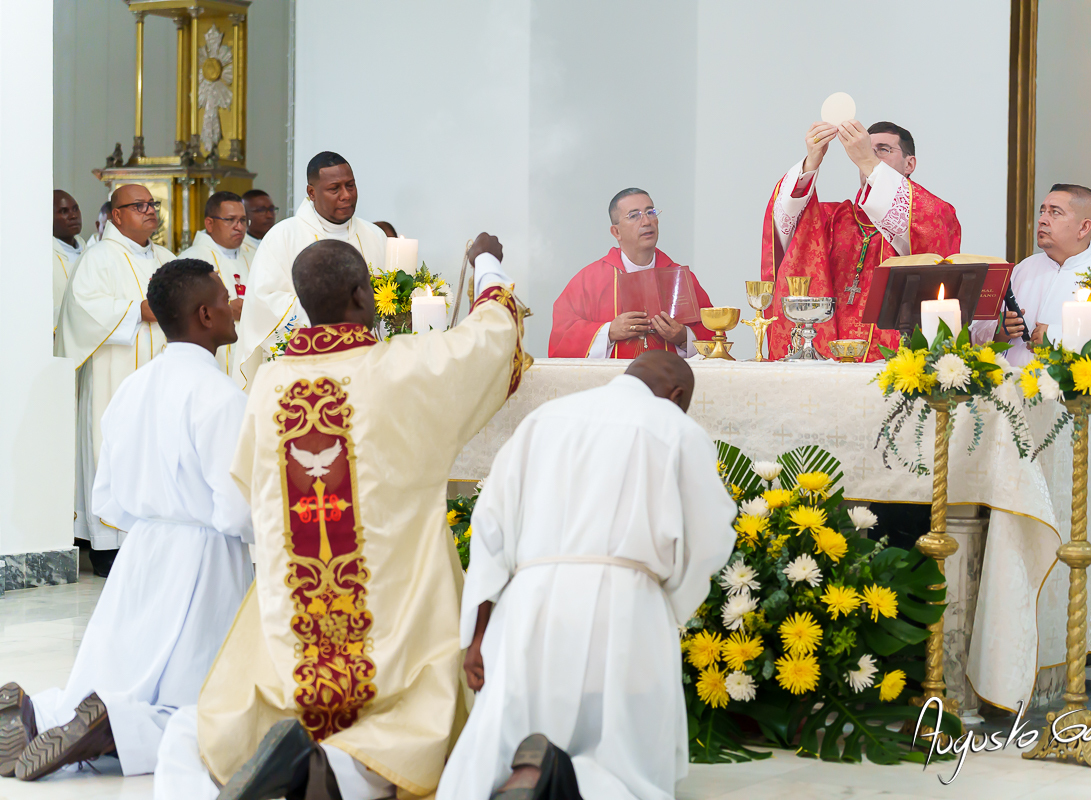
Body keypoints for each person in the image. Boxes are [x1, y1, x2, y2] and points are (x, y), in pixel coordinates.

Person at [154, 234, 527, 800]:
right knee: (409, 711)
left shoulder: (270, 384)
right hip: (393, 605)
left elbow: (250, 487)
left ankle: (295, 752)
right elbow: (492, 336)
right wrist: (488, 265)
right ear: (361, 295)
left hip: (301, 610)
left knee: (241, 701)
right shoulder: (404, 368)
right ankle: (344, 770)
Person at [438, 350, 735, 800]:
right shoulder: (674, 427)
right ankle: (556, 777)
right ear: (677, 396)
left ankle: (525, 774)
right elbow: (708, 536)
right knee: (620, 759)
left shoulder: (543, 420)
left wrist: (478, 636)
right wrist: (670, 603)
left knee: (499, 740)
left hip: (528, 604)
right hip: (626, 604)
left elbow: (491, 532)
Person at [0, 259, 254, 782]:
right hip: (207, 557)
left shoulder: (134, 387)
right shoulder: (222, 397)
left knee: (118, 667)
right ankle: (119, 729)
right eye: (225, 300)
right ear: (205, 315)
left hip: (142, 551)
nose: (234, 308)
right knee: (199, 700)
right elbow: (236, 508)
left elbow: (108, 498)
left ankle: (42, 715)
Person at [762, 120, 961, 361]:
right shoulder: (833, 219)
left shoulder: (927, 214)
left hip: (896, 366)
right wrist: (810, 163)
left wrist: (868, 160)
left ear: (910, 164)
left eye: (883, 149)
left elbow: (933, 226)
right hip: (830, 363)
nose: (869, 154)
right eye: (867, 148)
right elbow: (786, 218)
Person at [56, 184, 175, 577]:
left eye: (152, 204)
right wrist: (136, 310)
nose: (149, 210)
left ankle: (157, 540)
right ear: (116, 215)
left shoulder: (167, 258)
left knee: (158, 454)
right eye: (138, 205)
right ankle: (108, 545)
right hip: (114, 375)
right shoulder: (98, 257)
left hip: (161, 376)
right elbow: (82, 309)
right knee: (112, 451)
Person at [234, 152, 388, 389]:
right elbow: (264, 302)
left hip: (367, 366)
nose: (346, 195)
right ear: (311, 192)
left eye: (350, 185)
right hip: (305, 370)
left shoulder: (375, 236)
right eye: (335, 188)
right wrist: (336, 315)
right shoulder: (282, 236)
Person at [549, 188, 714, 358]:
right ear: (616, 232)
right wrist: (609, 331)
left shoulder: (680, 278)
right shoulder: (590, 280)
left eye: (650, 212)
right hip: (614, 376)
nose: (646, 221)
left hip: (668, 374)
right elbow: (561, 337)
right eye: (634, 215)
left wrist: (683, 337)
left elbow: (713, 333)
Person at [971, 185, 1091, 367]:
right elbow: (975, 335)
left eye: (1055, 212)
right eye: (1042, 212)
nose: (1042, 220)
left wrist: (1056, 338)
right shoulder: (1023, 268)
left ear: (1084, 227)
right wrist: (999, 330)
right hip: (1012, 382)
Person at [178, 191, 255, 376]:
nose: (239, 227)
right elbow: (181, 312)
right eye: (230, 220)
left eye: (243, 220)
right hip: (212, 362)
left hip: (252, 352)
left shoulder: (255, 256)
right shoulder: (191, 259)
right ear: (209, 224)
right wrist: (225, 310)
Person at [53, 189, 87, 334]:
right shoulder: (43, 256)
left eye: (75, 209)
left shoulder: (88, 251)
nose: (73, 216)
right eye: (64, 211)